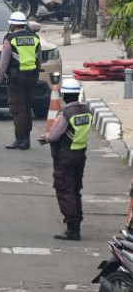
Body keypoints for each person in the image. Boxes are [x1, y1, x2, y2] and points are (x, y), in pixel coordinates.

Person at [38, 79, 91, 241]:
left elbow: (54, 136)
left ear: (65, 94)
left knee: (64, 190)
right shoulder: (86, 111)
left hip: (65, 156)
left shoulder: (66, 113)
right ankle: (76, 222)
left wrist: (46, 137)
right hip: (80, 154)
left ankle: (72, 229)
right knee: (75, 189)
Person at [0, 11, 41, 150]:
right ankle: (26, 138)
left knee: (17, 108)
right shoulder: (35, 38)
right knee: (27, 107)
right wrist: (36, 76)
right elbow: (39, 61)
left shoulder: (10, 40)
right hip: (31, 77)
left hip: (16, 79)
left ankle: (20, 139)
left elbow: (3, 63)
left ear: (13, 24)